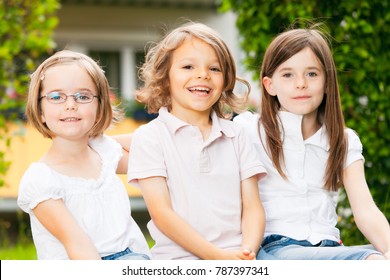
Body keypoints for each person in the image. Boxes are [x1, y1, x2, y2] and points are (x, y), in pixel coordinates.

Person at [234, 26, 390, 260]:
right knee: (371, 262)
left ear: (327, 82)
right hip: (274, 248)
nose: (300, 84)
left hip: (328, 249)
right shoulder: (248, 130)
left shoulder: (344, 140)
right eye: (288, 75)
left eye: (312, 74)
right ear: (269, 85)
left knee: (379, 256)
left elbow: (365, 210)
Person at [126, 22, 267, 260]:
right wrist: (217, 257)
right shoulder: (150, 137)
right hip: (178, 261)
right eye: (188, 66)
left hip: (241, 255)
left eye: (214, 69)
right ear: (165, 77)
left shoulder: (236, 135)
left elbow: (253, 206)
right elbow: (162, 214)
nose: (202, 74)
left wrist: (248, 252)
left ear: (226, 80)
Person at [17, 50, 151, 260]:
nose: (71, 105)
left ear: (99, 108)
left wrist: (100, 140)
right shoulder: (41, 180)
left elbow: (155, 148)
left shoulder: (103, 153)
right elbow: (79, 248)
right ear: (40, 110)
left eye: (83, 96)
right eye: (56, 97)